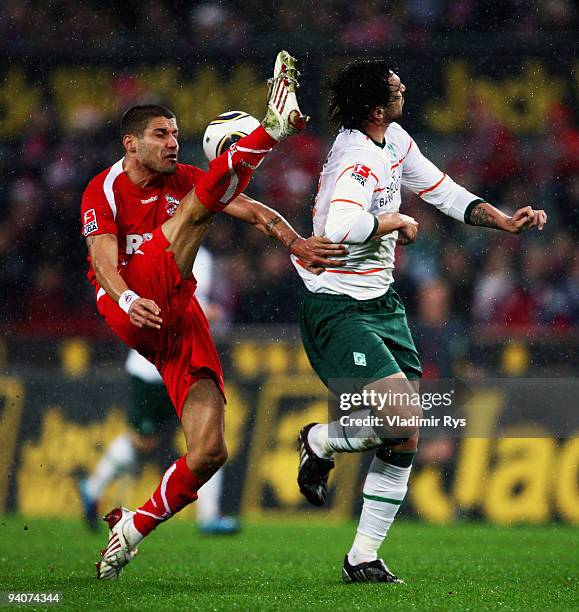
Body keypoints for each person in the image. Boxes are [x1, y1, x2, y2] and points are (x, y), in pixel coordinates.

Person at [83, 51, 345, 580]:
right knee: (199, 208)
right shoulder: (104, 188)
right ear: (130, 143)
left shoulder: (185, 180)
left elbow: (254, 211)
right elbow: (102, 261)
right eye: (160, 134)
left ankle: (130, 530)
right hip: (132, 303)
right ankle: (268, 131)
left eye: (176, 133)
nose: (172, 142)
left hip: (179, 315)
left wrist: (295, 243)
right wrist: (128, 299)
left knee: (209, 453)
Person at [294, 59, 547, 583]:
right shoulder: (358, 160)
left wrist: (500, 220)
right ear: (375, 108)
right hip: (337, 306)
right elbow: (340, 225)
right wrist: (392, 219)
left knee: (403, 436)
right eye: (393, 85)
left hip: (381, 304)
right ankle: (318, 440)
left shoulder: (394, 140)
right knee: (404, 419)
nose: (403, 84)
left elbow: (443, 191)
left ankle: (362, 556)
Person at [79, 246, 240, 535]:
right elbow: (173, 305)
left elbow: (190, 301)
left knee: (208, 438)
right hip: (151, 368)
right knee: (143, 442)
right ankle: (92, 488)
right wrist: (211, 312)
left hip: (184, 360)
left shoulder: (202, 254)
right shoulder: (158, 249)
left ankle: (209, 516)